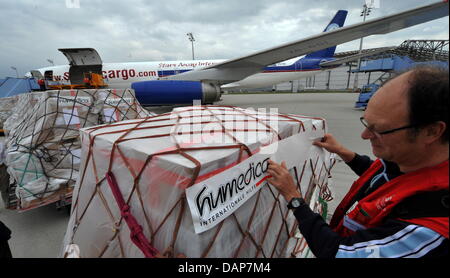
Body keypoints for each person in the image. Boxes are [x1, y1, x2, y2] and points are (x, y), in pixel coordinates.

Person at [267, 65, 449, 258]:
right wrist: (344, 153)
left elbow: (336, 252)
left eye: (378, 129)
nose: (364, 135)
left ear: (431, 132)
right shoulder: (411, 160)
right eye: (366, 123)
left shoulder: (428, 224)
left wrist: (293, 197)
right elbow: (383, 178)